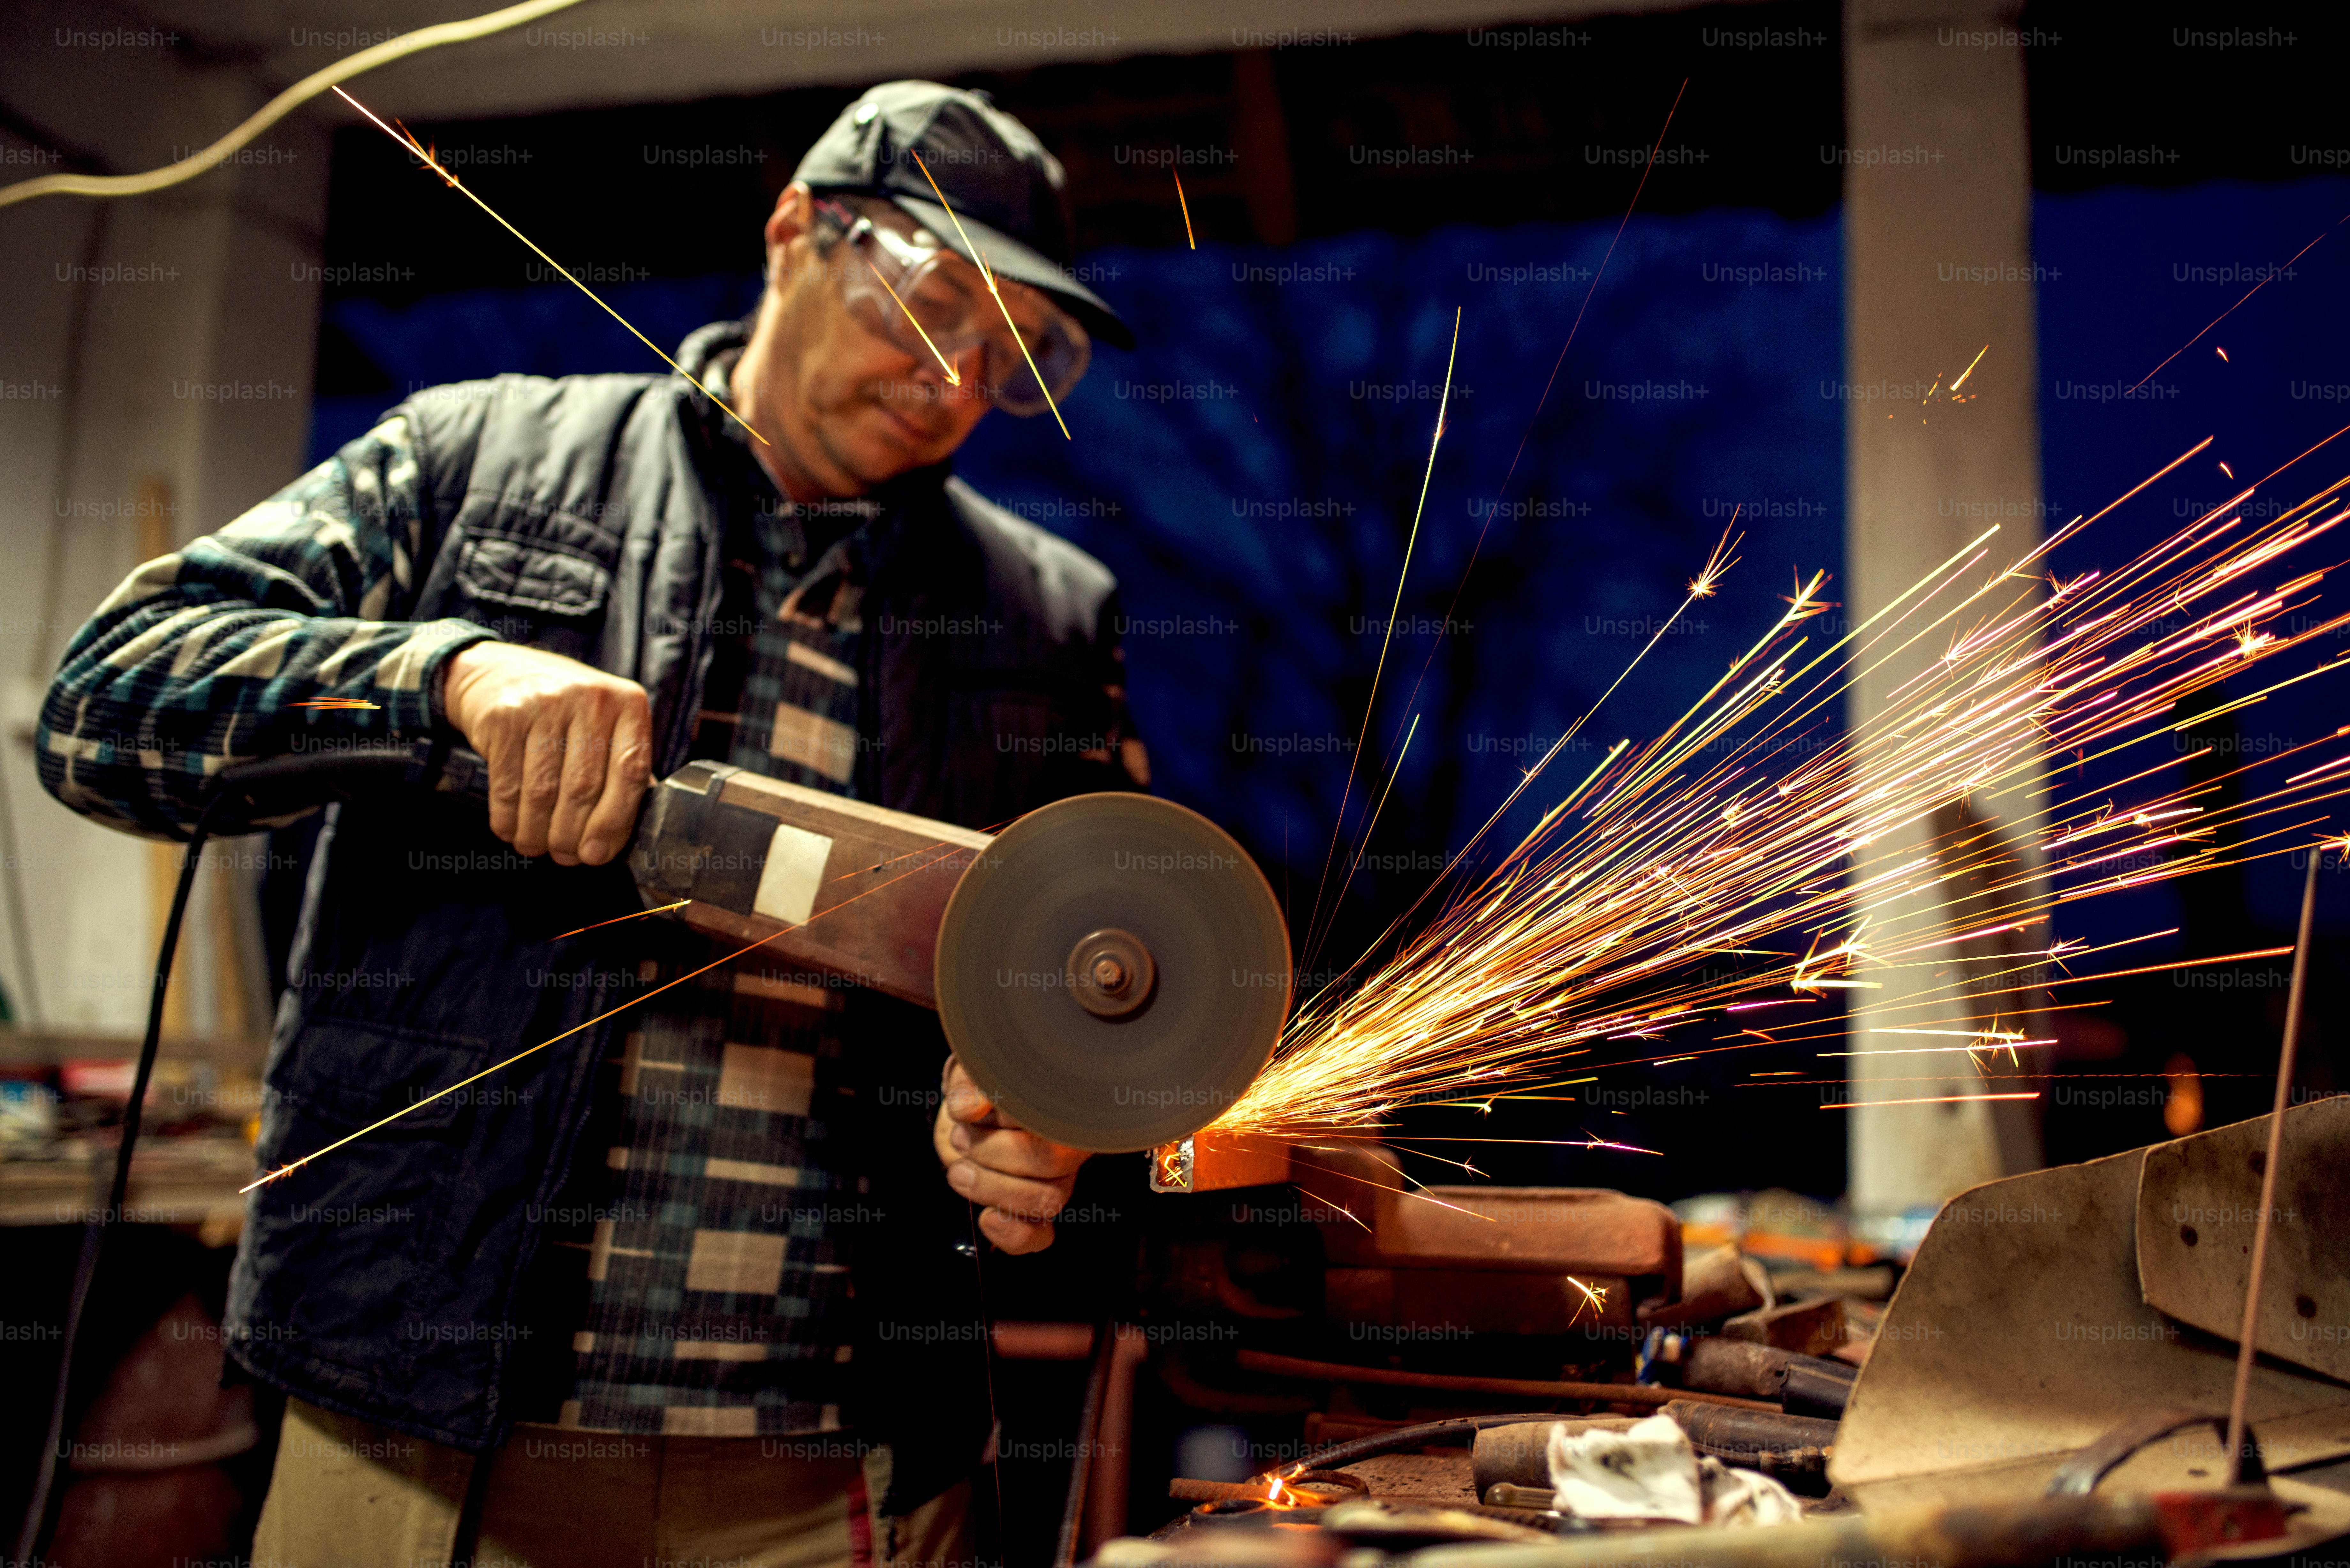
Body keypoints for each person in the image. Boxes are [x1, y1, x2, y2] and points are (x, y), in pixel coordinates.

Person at [38, 80, 1145, 1567]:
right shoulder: (480, 462)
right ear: (793, 232)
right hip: (421, 1425)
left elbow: (1110, 996)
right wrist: (445, 676)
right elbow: (106, 700)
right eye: (932, 302)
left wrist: (1050, 1116)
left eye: (1013, 350)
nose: (956, 379)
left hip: (851, 1458)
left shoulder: (1050, 619)